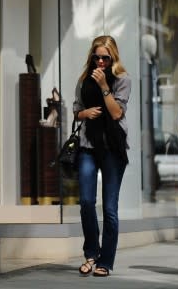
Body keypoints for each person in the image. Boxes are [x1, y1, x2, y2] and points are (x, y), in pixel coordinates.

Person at [73, 35, 131, 278]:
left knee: (109, 208)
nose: (100, 62)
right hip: (87, 145)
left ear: (112, 57)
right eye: (96, 57)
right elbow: (76, 110)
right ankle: (91, 253)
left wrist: (105, 87)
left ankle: (105, 261)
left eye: (104, 58)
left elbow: (117, 113)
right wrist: (84, 113)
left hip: (112, 148)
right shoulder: (84, 78)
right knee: (86, 201)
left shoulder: (122, 79)